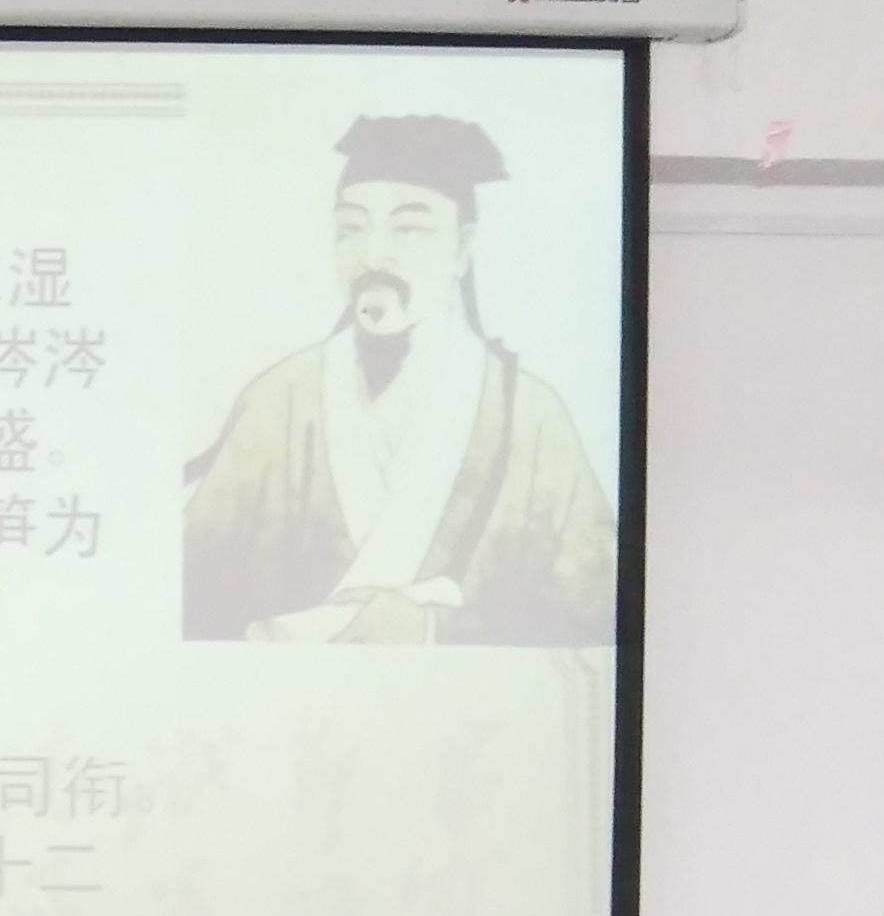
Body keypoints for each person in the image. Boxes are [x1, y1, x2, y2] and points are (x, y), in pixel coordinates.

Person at [182, 113, 618, 647]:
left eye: (408, 227)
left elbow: (597, 616)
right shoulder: (278, 401)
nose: (373, 255)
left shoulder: (529, 417)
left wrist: (433, 629)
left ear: (462, 249)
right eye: (351, 228)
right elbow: (187, 599)